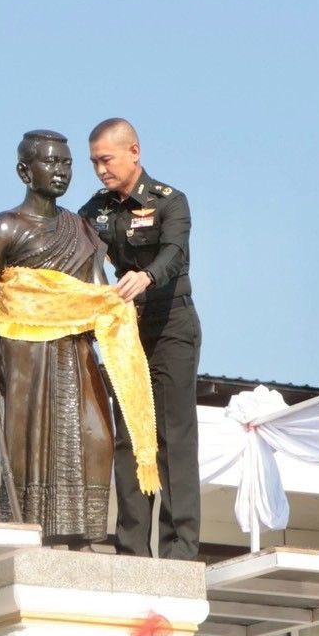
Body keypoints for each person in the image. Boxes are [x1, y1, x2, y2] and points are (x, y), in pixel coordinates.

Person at [0, 130, 116, 544]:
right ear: (24, 171)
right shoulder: (7, 225)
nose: (60, 171)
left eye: (66, 163)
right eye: (51, 162)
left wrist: (120, 317)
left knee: (95, 436)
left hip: (75, 347)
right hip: (24, 348)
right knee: (28, 441)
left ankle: (82, 532)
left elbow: (98, 291)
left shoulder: (81, 229)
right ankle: (30, 529)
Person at [79, 117, 201, 560]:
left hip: (171, 324)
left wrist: (147, 276)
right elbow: (75, 256)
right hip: (125, 328)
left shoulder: (170, 201)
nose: (100, 170)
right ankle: (131, 549)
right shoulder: (94, 211)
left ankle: (179, 549)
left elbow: (175, 253)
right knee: (129, 435)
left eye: (106, 160)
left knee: (172, 435)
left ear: (134, 151)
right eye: (94, 162)